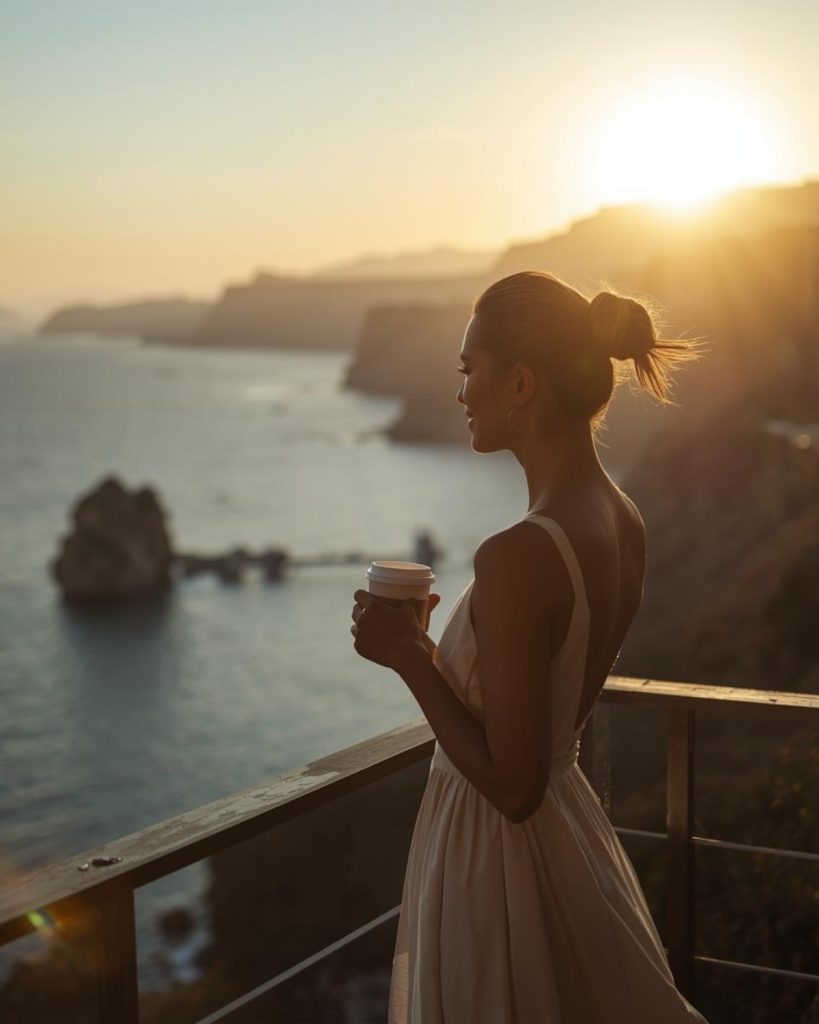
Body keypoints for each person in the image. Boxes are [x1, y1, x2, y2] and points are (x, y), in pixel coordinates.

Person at [350, 270, 709, 1022]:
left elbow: (512, 789)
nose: (459, 394)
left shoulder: (516, 554)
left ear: (518, 382)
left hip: (494, 861)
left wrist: (409, 654)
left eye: (466, 370)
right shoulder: (621, 517)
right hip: (567, 836)